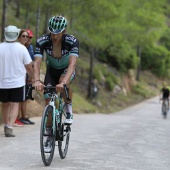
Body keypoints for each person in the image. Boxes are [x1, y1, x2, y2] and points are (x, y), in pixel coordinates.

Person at [33, 15, 79, 125]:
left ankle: (68, 109)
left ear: (64, 31)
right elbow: (37, 63)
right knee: (48, 101)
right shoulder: (42, 40)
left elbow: (72, 64)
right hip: (51, 70)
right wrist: (36, 80)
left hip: (66, 69)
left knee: (64, 81)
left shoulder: (72, 41)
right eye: (52, 32)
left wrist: (63, 82)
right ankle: (48, 132)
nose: (54, 36)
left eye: (58, 33)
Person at [0, 25, 33, 137]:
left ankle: (5, 124)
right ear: (16, 35)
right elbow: (28, 66)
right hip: (17, 82)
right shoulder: (22, 48)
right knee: (15, 104)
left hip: (2, 82)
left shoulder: (0, 47)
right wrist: (32, 77)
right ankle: (10, 127)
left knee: (5, 104)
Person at [16, 29, 35, 125]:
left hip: (27, 75)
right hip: (22, 76)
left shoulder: (30, 47)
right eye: (25, 36)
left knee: (26, 97)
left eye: (29, 37)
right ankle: (18, 117)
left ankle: (23, 116)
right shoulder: (21, 48)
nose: (28, 39)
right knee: (20, 98)